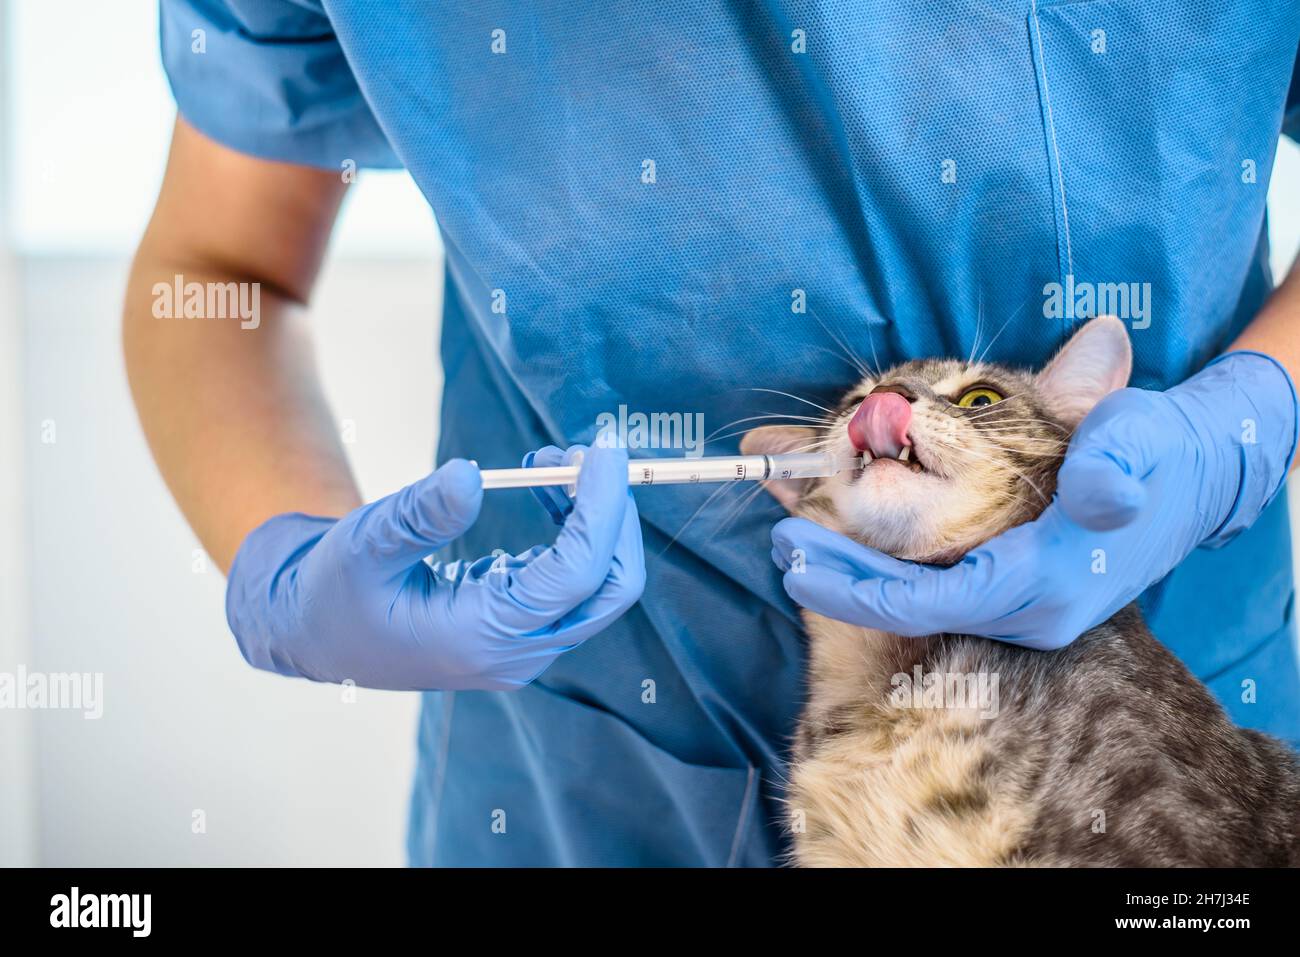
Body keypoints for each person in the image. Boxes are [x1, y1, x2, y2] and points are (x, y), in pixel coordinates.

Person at [125, 1, 1300, 866]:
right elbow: (220, 272)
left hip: (1149, 731)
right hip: (581, 779)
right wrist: (282, 560)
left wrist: (1247, 416)